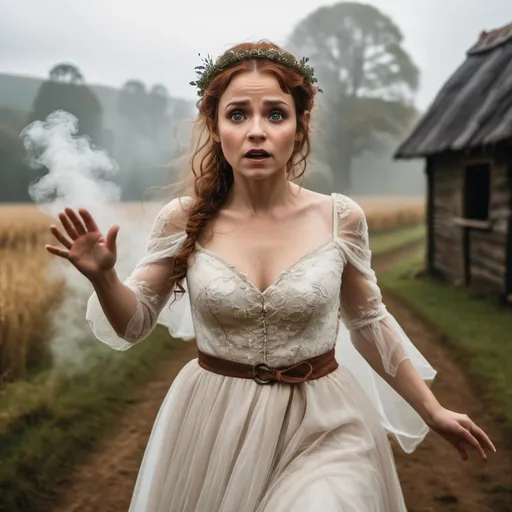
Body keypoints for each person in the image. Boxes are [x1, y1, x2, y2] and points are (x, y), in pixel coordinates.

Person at [46, 41, 496, 511]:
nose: (256, 131)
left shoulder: (340, 218)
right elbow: (133, 323)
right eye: (237, 115)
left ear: (300, 128)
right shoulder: (182, 220)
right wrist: (103, 278)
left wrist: (432, 407)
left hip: (326, 424)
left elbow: (369, 323)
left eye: (275, 115)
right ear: (215, 128)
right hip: (214, 425)